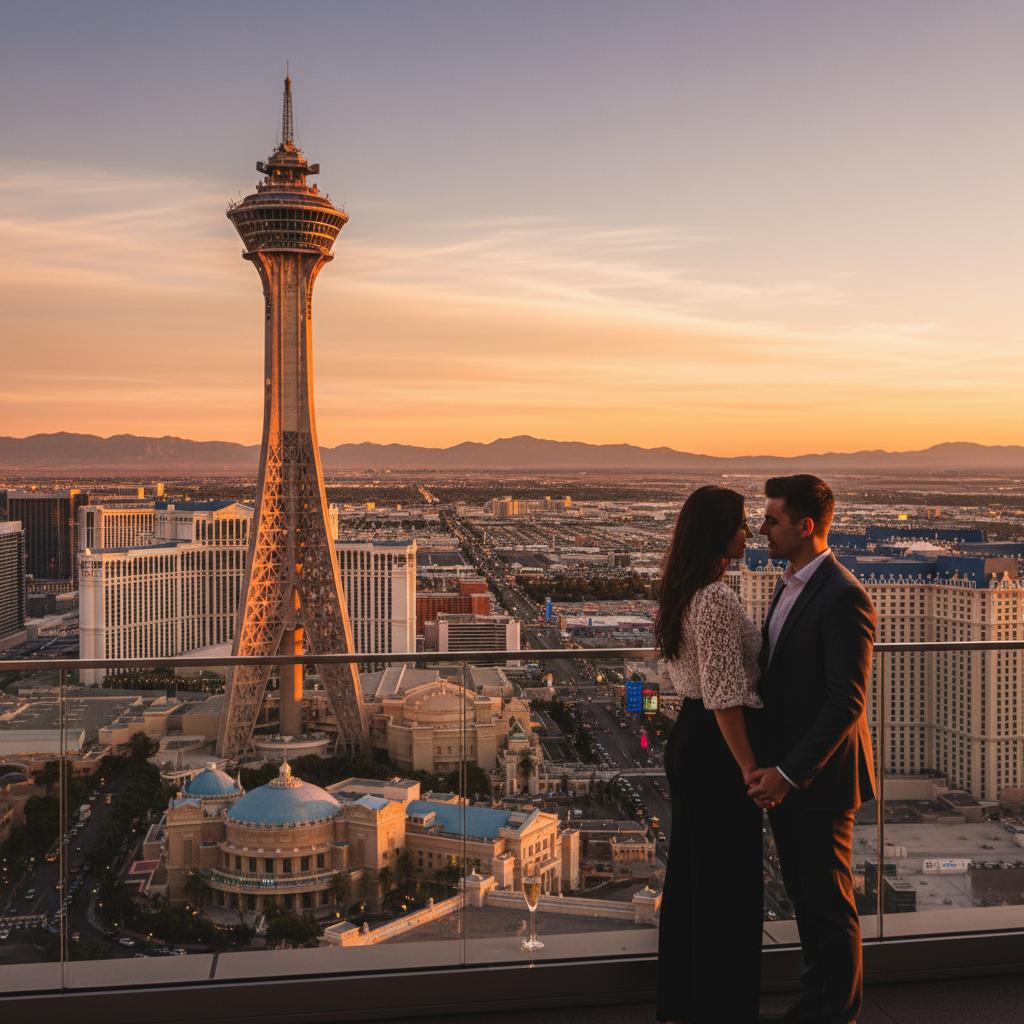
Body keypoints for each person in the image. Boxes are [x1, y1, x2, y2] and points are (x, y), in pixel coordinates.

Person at [747, 475, 876, 1024]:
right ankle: (816, 1000)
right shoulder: (789, 585)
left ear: (804, 526)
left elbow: (845, 703)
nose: (762, 528)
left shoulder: (845, 595)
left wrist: (789, 773)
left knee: (830, 905)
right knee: (807, 898)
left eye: (772, 519)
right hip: (792, 777)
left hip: (819, 783)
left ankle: (839, 1013)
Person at [655, 485, 764, 1024]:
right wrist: (750, 769)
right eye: (741, 524)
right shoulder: (716, 598)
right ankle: (724, 1006)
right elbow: (725, 693)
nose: (749, 532)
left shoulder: (683, 589)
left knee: (694, 875)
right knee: (729, 882)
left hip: (689, 738)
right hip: (719, 747)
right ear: (720, 532)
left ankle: (688, 999)